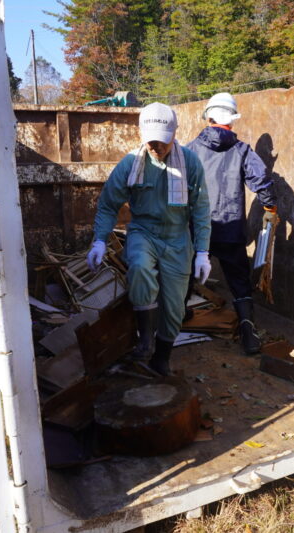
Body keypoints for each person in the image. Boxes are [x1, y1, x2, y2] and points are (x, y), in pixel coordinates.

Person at [87, 102, 212, 376]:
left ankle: (161, 357)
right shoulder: (130, 164)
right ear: (141, 135)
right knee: (141, 268)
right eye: (151, 141)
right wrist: (99, 240)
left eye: (163, 141)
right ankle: (145, 339)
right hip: (143, 231)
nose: (157, 147)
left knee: (175, 305)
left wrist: (202, 252)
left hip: (177, 238)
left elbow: (201, 209)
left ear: (175, 133)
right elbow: (108, 205)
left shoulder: (190, 163)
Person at [186, 92, 278, 355]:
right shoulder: (242, 150)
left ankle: (177, 315)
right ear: (232, 120)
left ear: (208, 117)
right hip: (230, 228)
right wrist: (270, 207)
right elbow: (262, 182)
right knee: (239, 281)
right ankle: (248, 332)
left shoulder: (189, 150)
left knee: (184, 274)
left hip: (197, 229)